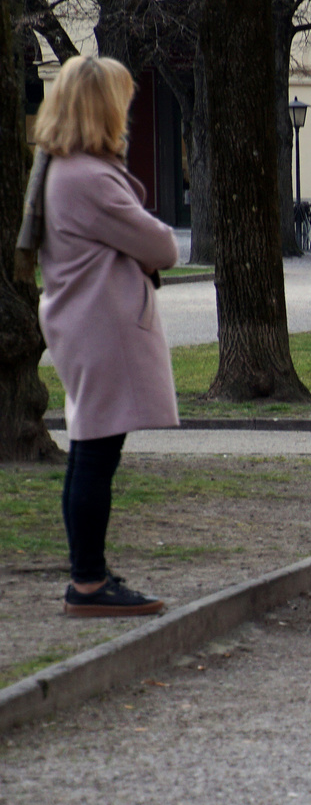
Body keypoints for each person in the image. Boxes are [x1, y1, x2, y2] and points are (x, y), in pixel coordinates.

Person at [27, 56, 180, 616]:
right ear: (102, 108)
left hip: (85, 322)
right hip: (102, 326)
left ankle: (89, 575)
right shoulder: (89, 178)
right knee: (94, 455)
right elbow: (162, 246)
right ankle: (88, 583)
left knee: (91, 452)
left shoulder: (60, 169)